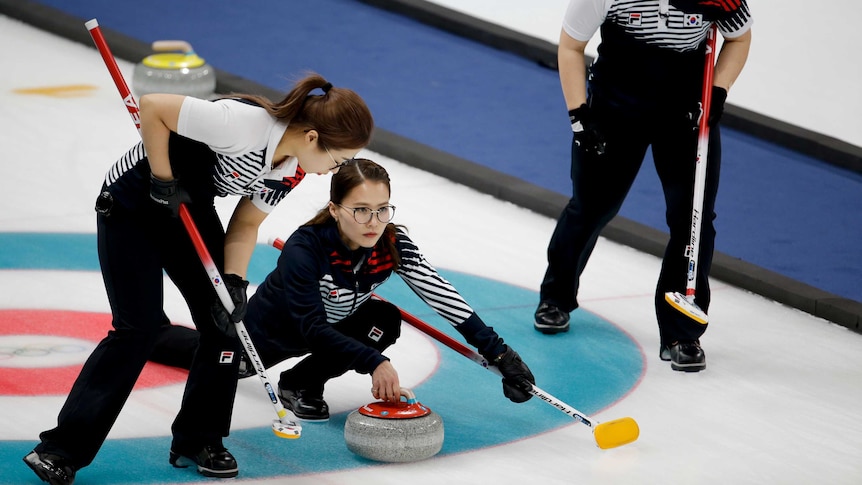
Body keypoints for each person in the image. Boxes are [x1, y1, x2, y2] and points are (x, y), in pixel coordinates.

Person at [23, 72, 373, 484]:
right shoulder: (241, 124)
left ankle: (198, 439)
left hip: (188, 205)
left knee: (223, 324)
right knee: (137, 329)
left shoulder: (290, 169)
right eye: (337, 161)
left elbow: (245, 224)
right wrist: (161, 178)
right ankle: (61, 450)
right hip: (134, 203)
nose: (328, 172)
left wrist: (235, 283)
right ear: (313, 137)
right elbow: (154, 107)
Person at [534, 1, 752, 373]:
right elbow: (571, 46)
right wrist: (579, 115)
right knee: (591, 206)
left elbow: (739, 38)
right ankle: (556, 296)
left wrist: (718, 90)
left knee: (693, 221)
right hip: (615, 105)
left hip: (687, 110)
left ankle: (682, 332)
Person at [238, 158, 536, 422]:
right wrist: (374, 361)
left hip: (332, 327)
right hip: (270, 333)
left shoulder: (392, 244)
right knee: (211, 359)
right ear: (335, 209)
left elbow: (442, 295)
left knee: (383, 318)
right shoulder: (306, 248)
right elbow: (310, 326)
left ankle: (300, 383)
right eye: (361, 210)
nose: (374, 222)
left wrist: (499, 354)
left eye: (382, 210)